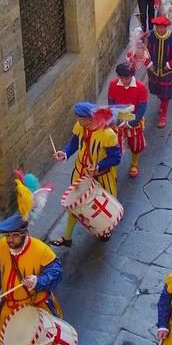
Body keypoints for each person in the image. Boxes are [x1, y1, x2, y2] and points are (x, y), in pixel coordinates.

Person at [0, 173, 63, 345]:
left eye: (15, 236)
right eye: (8, 236)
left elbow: (56, 273)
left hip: (35, 303)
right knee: (3, 337)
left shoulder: (41, 250)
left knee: (42, 338)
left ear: (25, 233)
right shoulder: (2, 246)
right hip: (10, 303)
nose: (10, 240)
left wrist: (39, 282)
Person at [51, 102, 121, 247]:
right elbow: (73, 143)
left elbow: (116, 158)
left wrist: (98, 166)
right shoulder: (79, 126)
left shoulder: (108, 134)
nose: (77, 120)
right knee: (74, 205)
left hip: (102, 175)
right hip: (81, 172)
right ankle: (67, 237)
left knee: (101, 206)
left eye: (79, 118)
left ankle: (104, 229)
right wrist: (64, 153)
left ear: (89, 118)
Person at [145, 0, 172, 128]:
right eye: (158, 28)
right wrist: (148, 62)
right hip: (153, 69)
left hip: (167, 70)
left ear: (167, 27)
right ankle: (162, 102)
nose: (160, 30)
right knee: (157, 90)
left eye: (162, 28)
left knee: (166, 92)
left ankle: (163, 115)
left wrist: (170, 64)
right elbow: (144, 51)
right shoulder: (150, 37)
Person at [108, 61, 149, 178]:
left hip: (134, 119)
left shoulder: (140, 87)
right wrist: (116, 118)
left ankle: (134, 164)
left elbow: (142, 106)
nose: (124, 80)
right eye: (121, 77)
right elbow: (111, 103)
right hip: (118, 119)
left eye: (127, 78)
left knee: (135, 144)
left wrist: (134, 121)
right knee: (116, 145)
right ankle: (114, 166)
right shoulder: (112, 85)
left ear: (132, 76)